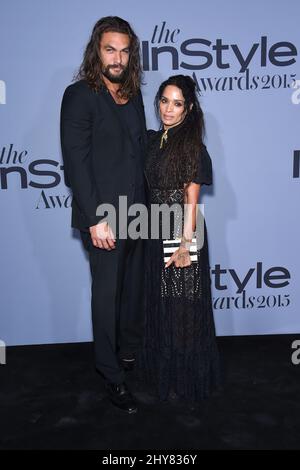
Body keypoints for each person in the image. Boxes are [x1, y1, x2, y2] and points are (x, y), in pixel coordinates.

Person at [60, 16, 147, 414]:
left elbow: (137, 154)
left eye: (124, 50)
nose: (118, 57)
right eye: (110, 49)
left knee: (130, 293)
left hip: (138, 213)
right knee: (106, 296)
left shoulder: (134, 96)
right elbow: (76, 163)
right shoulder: (79, 95)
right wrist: (96, 219)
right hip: (105, 215)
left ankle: (127, 355)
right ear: (97, 50)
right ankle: (111, 375)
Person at [139, 75, 220, 403]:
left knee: (183, 308)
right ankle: (165, 374)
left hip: (181, 230)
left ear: (189, 108)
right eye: (164, 100)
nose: (168, 109)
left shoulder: (192, 145)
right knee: (162, 305)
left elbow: (191, 198)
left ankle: (186, 380)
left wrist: (186, 244)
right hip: (153, 229)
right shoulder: (153, 140)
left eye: (177, 103)